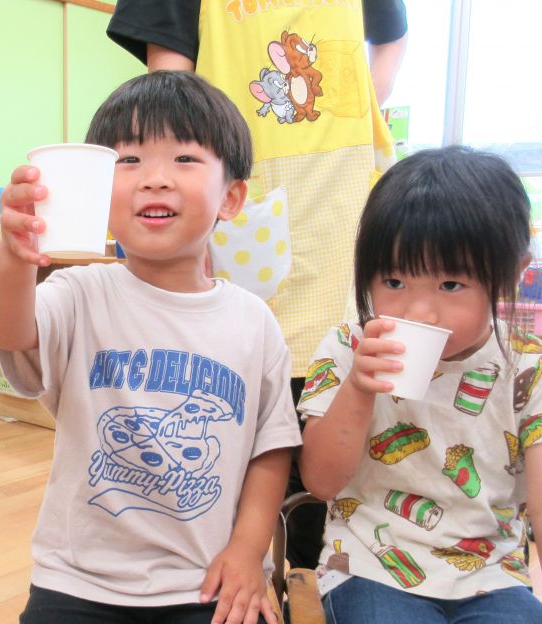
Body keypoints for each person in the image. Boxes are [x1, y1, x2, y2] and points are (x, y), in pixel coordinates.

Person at [0, 70, 301, 624]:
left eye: (184, 158)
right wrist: (15, 258)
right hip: (78, 582)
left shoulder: (252, 322)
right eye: (129, 161)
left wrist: (248, 552)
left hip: (205, 585)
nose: (155, 177)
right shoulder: (76, 294)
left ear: (231, 197)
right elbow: (8, 327)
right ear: (102, 191)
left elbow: (271, 449)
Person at [108, 0, 409, 571]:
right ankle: (212, 599)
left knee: (325, 465)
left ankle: (312, 610)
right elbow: (173, 92)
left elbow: (392, 34)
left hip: (338, 216)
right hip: (235, 215)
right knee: (213, 443)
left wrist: (354, 101)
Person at [297, 146, 542, 624]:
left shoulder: (533, 368)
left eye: (450, 286)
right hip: (371, 569)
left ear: (508, 275)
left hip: (494, 577)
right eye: (393, 281)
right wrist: (358, 391)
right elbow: (320, 481)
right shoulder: (348, 347)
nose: (419, 312)